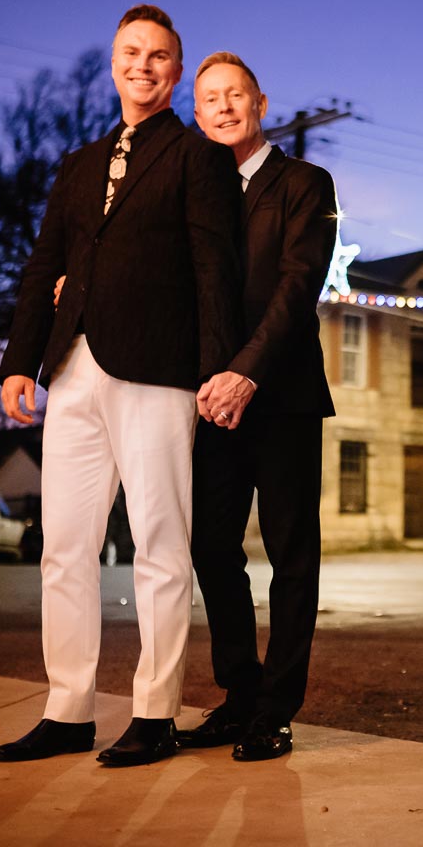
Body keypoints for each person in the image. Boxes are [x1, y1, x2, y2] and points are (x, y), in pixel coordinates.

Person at [0, 6, 242, 767]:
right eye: (131, 52)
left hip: (160, 374)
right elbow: (43, 268)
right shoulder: (77, 163)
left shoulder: (198, 159)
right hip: (71, 372)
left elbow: (213, 271)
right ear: (112, 64)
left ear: (176, 69)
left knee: (161, 546)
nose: (144, 65)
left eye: (160, 56)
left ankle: (156, 714)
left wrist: (218, 367)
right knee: (64, 547)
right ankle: (67, 711)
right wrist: (17, 361)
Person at [177, 51, 338, 761]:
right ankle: (240, 695)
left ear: (260, 103)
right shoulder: (194, 192)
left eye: (233, 95)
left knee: (290, 553)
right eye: (208, 98)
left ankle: (276, 710)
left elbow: (297, 287)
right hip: (209, 403)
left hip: (283, 397)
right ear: (196, 111)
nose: (222, 107)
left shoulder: (305, 183)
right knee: (210, 546)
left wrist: (245, 373)